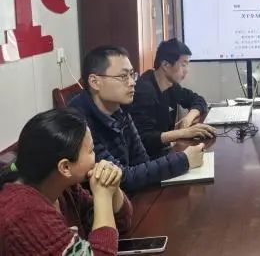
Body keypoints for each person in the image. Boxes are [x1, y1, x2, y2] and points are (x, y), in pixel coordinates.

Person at [70, 45, 206, 193]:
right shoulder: (78, 123)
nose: (132, 82)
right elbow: (121, 179)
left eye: (131, 75)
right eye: (123, 76)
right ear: (95, 82)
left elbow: (142, 161)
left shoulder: (119, 108)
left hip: (126, 198)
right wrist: (184, 160)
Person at [0, 108, 133, 255]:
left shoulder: (63, 188)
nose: (96, 157)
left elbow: (119, 224)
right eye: (91, 150)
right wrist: (103, 196)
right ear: (65, 167)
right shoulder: (25, 215)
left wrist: (112, 187)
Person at [127, 39, 215, 158]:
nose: (186, 71)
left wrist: (189, 118)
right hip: (148, 158)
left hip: (164, 151)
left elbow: (197, 99)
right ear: (165, 65)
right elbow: (143, 138)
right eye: (183, 65)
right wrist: (182, 133)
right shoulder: (144, 91)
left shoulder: (171, 86)